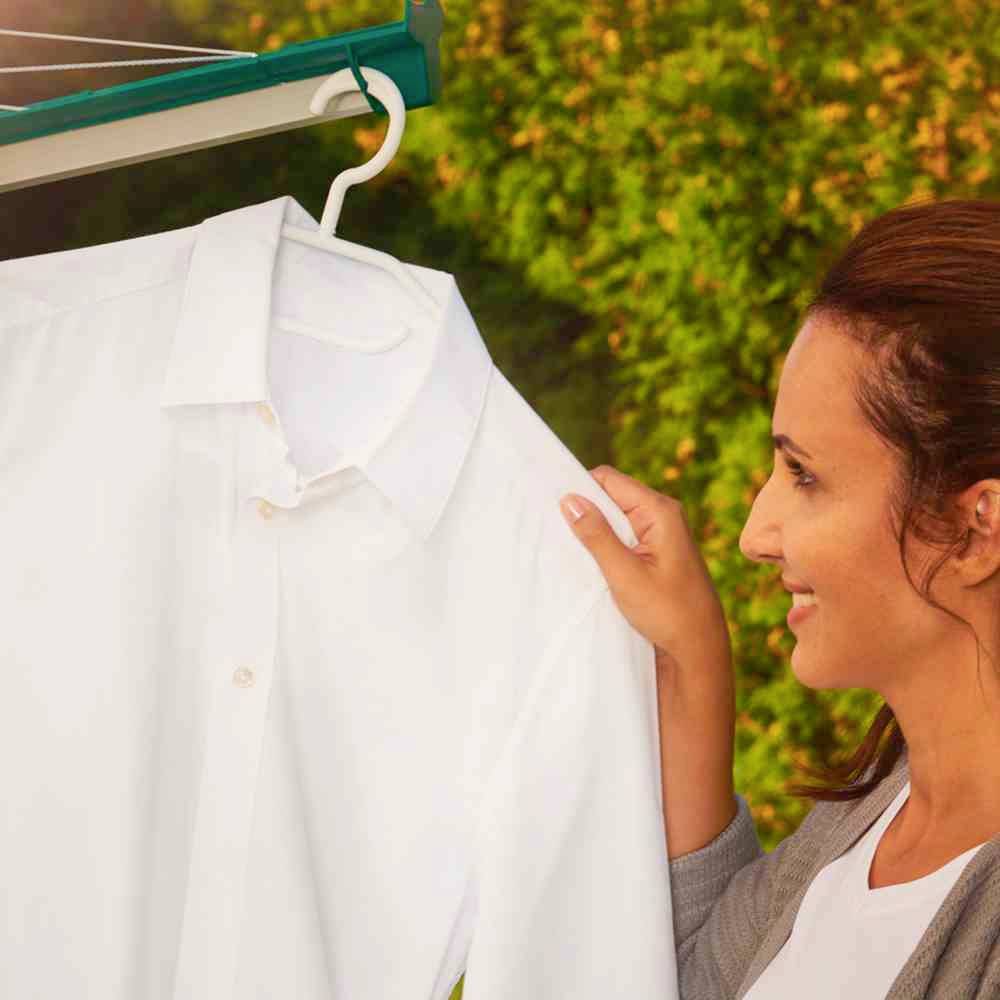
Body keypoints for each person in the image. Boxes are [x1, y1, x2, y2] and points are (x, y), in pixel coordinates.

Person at [557, 198, 1000, 999]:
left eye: (804, 475)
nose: (755, 534)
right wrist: (690, 656)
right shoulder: (869, 821)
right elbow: (689, 983)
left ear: (975, 528)